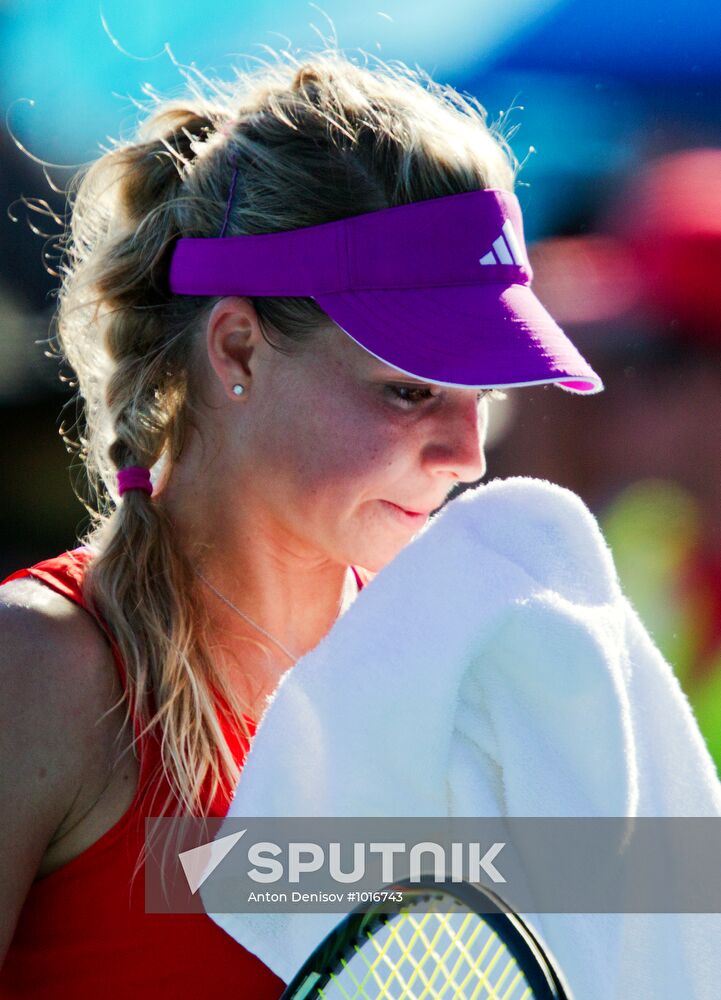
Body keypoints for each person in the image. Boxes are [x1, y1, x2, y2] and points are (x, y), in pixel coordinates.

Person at [0, 48, 602, 995]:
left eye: (479, 396)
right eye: (409, 390)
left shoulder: (466, 683)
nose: (468, 455)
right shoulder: (38, 672)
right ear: (237, 346)